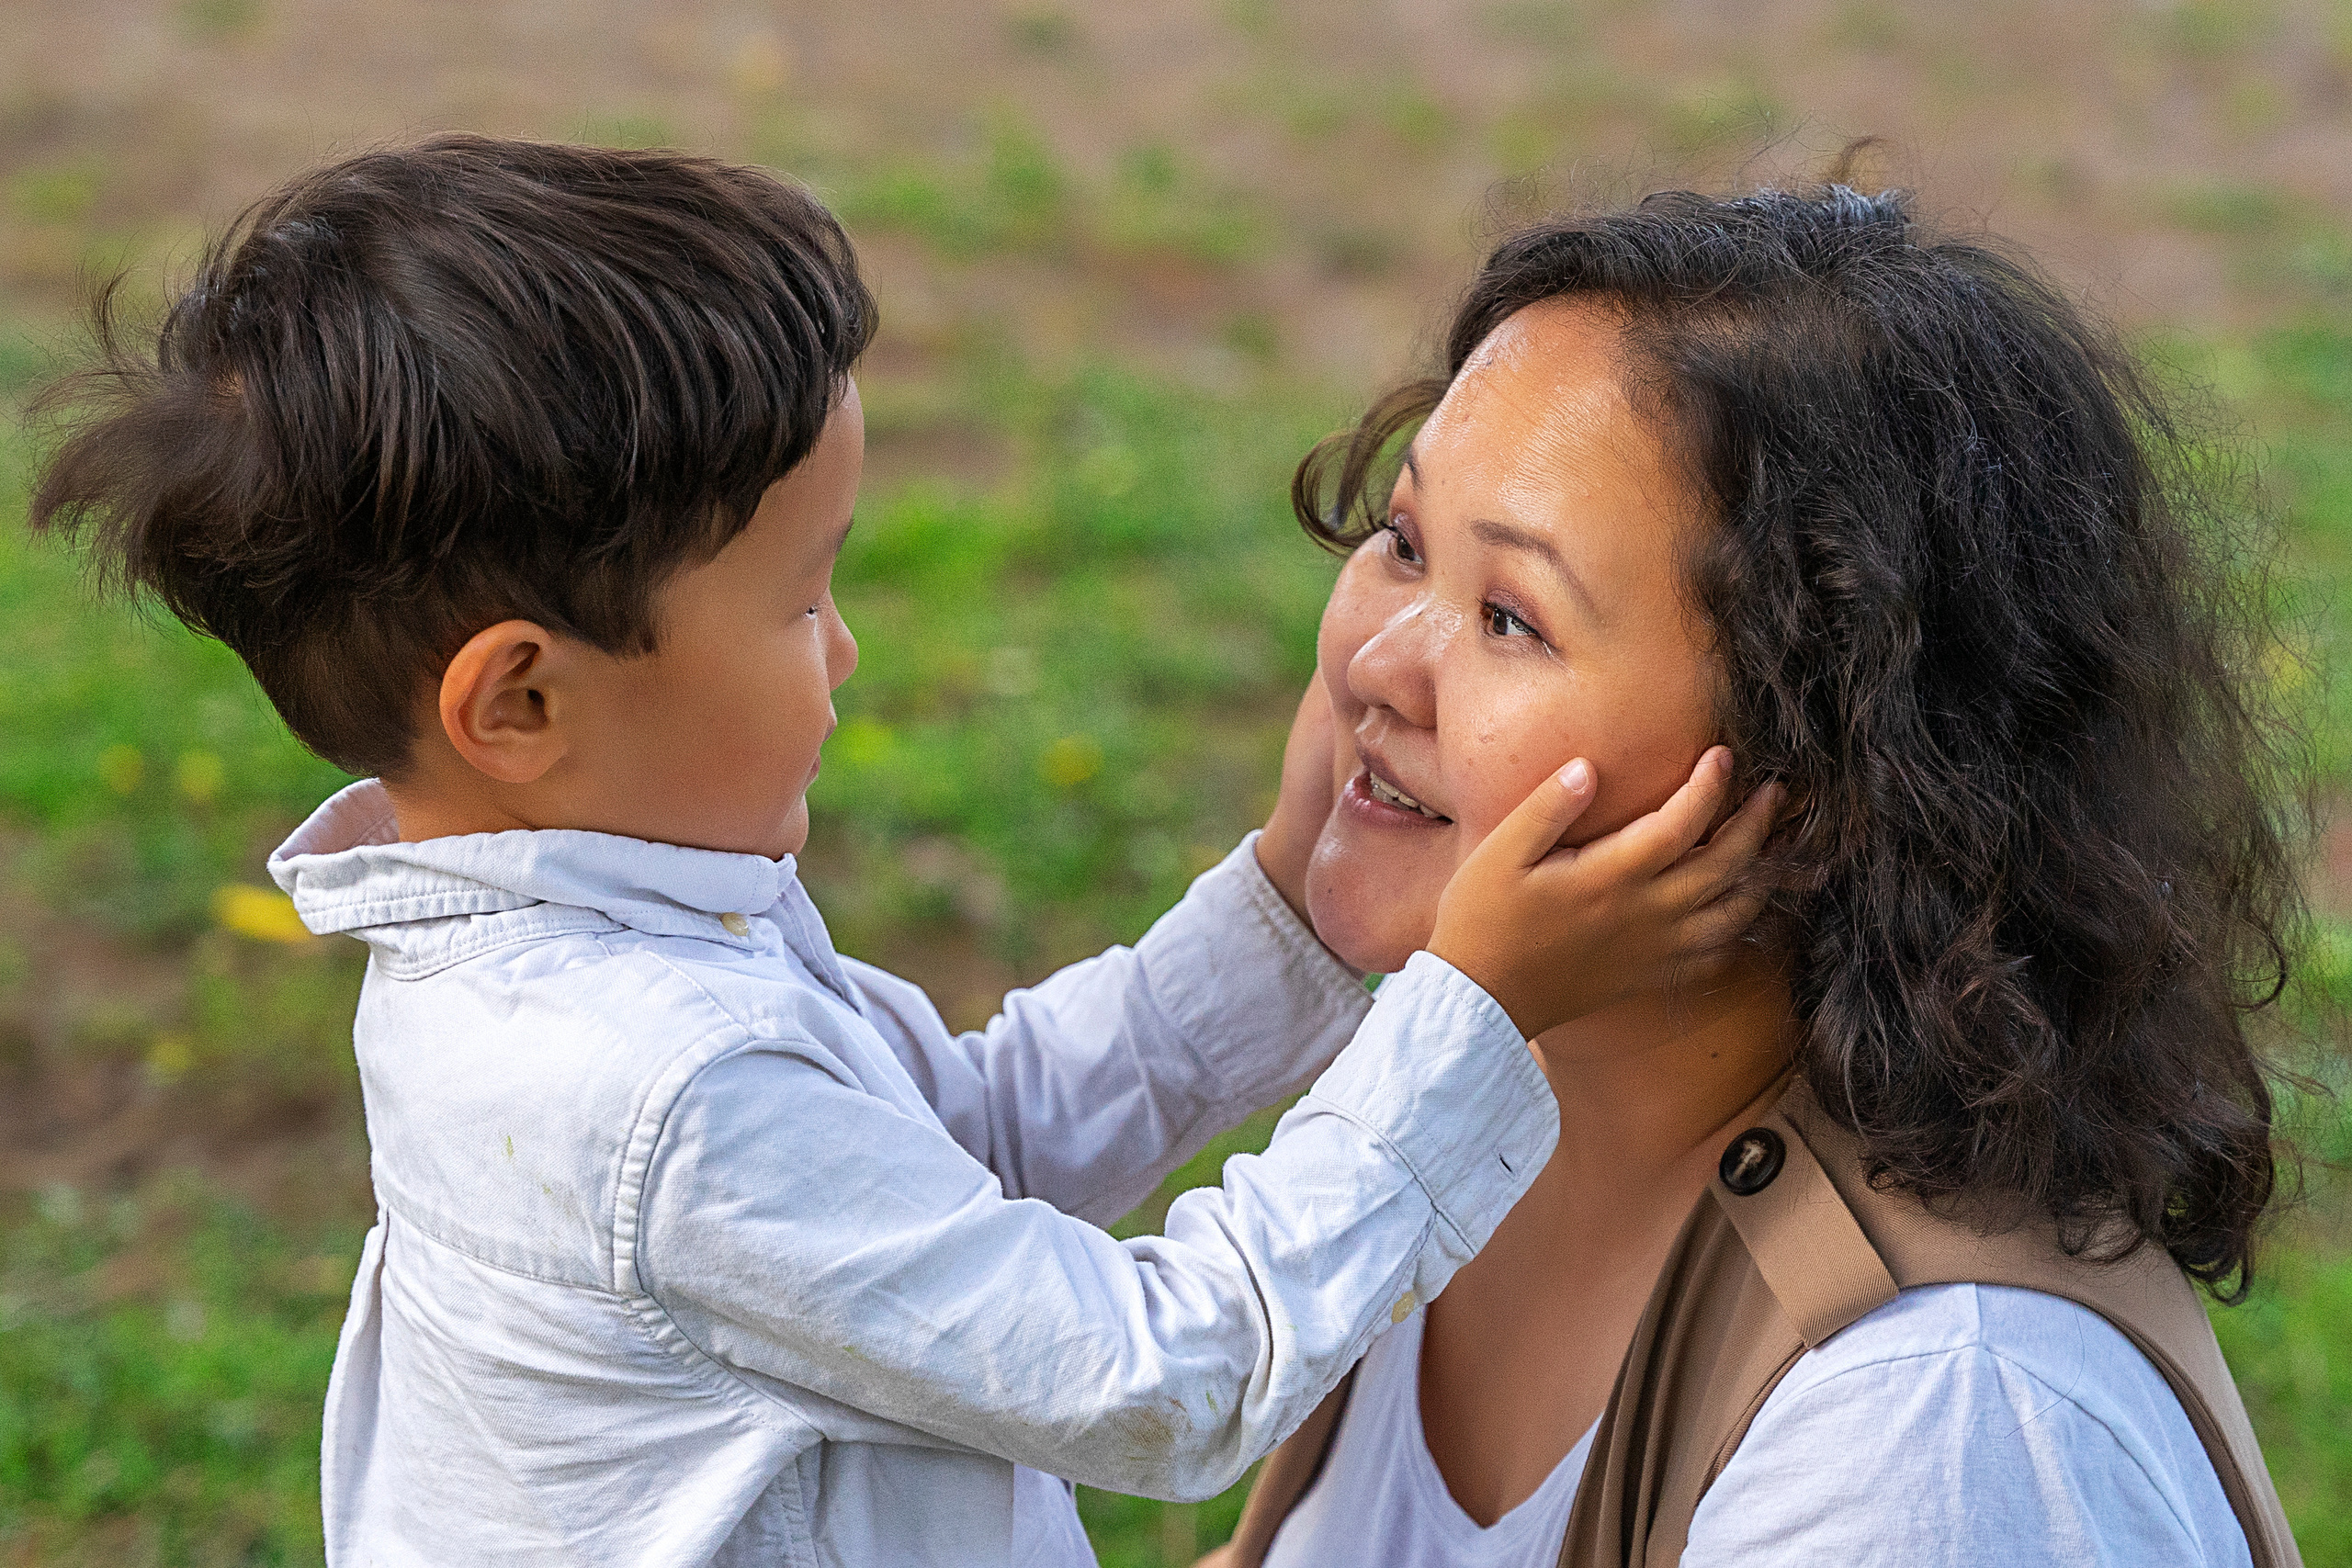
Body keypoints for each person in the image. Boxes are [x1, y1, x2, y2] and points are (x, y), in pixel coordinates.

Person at [25, 136, 1777, 1567]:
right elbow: (1166, 1378)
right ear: (523, 701)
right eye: (801, 600)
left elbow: (968, 1149)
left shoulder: (604, 937)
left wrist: (1293, 919)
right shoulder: (648, 1091)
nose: (848, 647)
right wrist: (1470, 1014)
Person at [1211, 178, 2307, 1567]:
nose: (1374, 665)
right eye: (1404, 541)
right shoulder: (1449, 1110)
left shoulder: (1926, 1437)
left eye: (1510, 619)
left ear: (1825, 781)